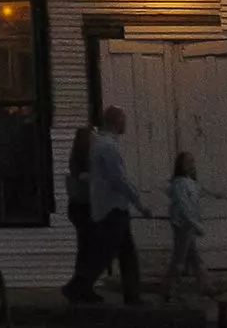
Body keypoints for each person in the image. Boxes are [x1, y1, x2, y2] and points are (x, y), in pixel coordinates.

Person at [63, 106, 151, 304]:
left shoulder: (102, 144)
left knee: (124, 252)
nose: (126, 123)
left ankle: (131, 294)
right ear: (115, 122)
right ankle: (78, 286)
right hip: (112, 208)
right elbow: (118, 180)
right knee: (104, 252)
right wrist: (140, 204)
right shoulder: (107, 147)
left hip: (108, 206)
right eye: (123, 119)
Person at [162, 151, 207, 303]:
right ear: (180, 165)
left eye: (193, 161)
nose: (192, 164)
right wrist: (196, 224)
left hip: (188, 225)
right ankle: (170, 287)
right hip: (183, 225)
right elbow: (184, 205)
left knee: (194, 258)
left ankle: (205, 285)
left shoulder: (190, 182)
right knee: (180, 258)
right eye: (188, 162)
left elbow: (197, 196)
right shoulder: (180, 183)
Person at [61, 127, 99, 302]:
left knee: (89, 249)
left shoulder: (92, 156)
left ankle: (84, 287)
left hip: (87, 206)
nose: (95, 138)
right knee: (87, 248)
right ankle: (78, 287)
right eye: (93, 136)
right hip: (81, 207)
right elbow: (82, 177)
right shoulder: (79, 158)